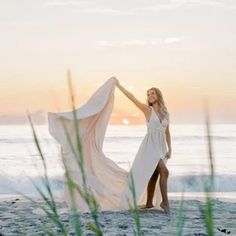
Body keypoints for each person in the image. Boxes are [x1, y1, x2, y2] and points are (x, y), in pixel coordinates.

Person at [115, 79, 172, 213]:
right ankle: (165, 203)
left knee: (155, 174)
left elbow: (167, 132)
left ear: (158, 95)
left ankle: (148, 203)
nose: (150, 96)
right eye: (148, 94)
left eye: (153, 93)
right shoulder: (147, 110)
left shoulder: (166, 113)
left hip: (161, 147)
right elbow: (132, 98)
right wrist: (119, 86)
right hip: (150, 146)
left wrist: (170, 149)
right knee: (165, 171)